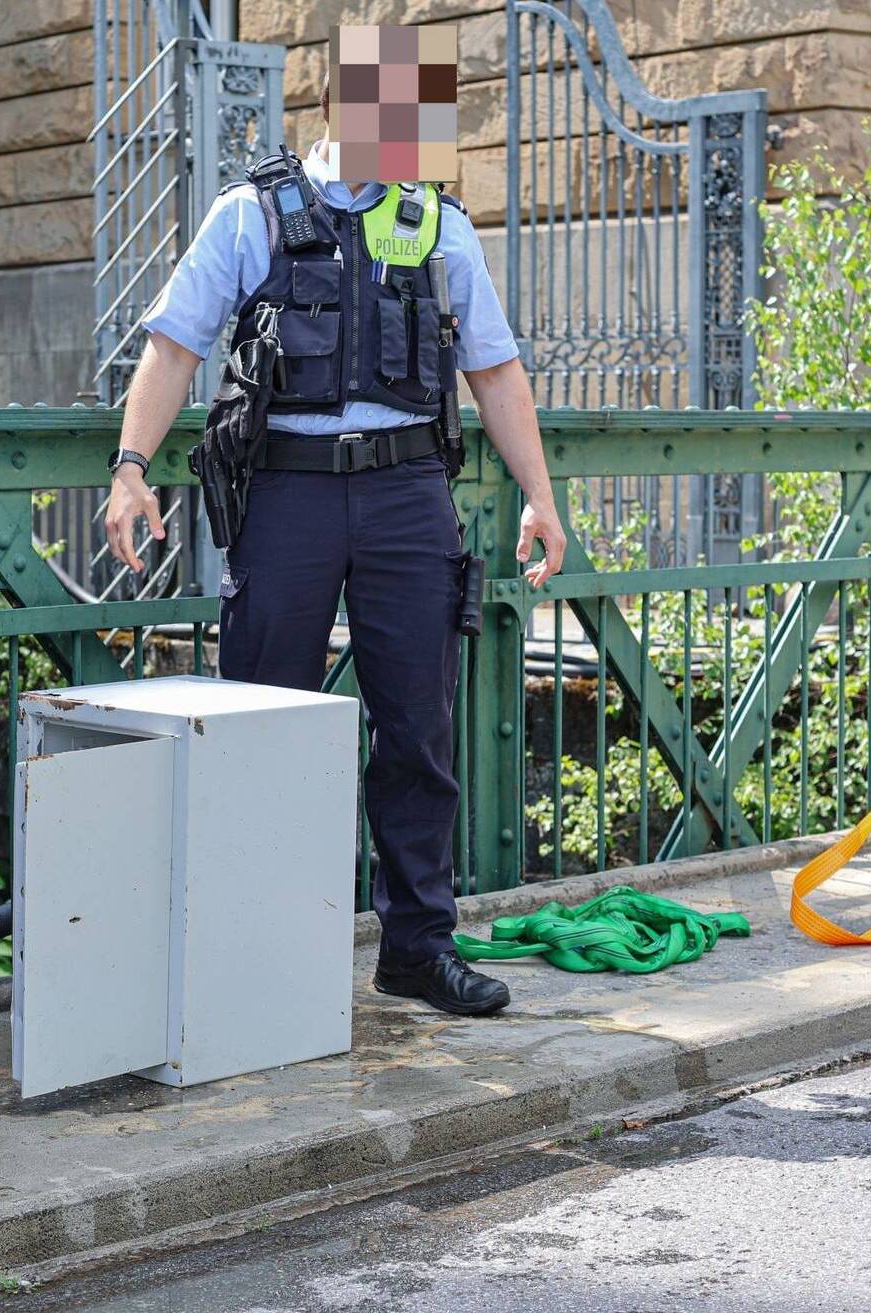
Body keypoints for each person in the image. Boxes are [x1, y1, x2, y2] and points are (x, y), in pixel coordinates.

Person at [103, 63, 568, 1017]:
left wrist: (540, 497)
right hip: (288, 493)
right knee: (260, 722)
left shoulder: (438, 225)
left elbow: (495, 370)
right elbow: (175, 344)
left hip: (407, 493)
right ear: (335, 113)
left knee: (418, 729)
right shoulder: (250, 214)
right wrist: (130, 466)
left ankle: (417, 948)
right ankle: (255, 956)